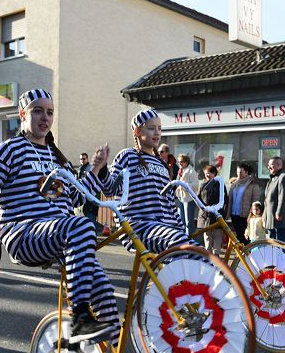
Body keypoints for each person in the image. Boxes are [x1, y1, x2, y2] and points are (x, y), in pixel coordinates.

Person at [0, 88, 116, 341]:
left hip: (59, 233)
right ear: (22, 114)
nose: (44, 118)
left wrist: (96, 167)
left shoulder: (58, 158)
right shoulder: (10, 150)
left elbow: (79, 198)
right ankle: (80, 318)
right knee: (81, 226)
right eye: (37, 110)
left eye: (49, 112)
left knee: (103, 291)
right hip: (22, 233)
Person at [91, 109, 193, 255]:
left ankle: (171, 277)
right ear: (138, 131)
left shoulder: (162, 164)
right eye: (151, 128)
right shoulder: (127, 156)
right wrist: (101, 168)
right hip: (139, 227)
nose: (157, 133)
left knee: (201, 253)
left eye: (159, 128)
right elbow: (110, 189)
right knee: (181, 244)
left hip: (167, 227)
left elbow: (170, 202)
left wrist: (182, 229)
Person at [227, 162, 261, 244]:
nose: (239, 174)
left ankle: (246, 255)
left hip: (245, 215)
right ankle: (240, 254)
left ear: (246, 172)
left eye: (241, 172)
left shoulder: (253, 184)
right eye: (237, 172)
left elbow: (255, 200)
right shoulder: (234, 183)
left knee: (245, 237)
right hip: (234, 214)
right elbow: (230, 199)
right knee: (238, 237)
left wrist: (253, 214)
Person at [197, 164, 225, 255]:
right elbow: (198, 198)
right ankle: (208, 256)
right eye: (206, 173)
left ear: (214, 173)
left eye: (209, 173)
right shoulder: (203, 185)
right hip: (206, 215)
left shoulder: (220, 184)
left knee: (217, 235)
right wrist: (203, 209)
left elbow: (225, 199)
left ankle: (216, 255)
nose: (207, 175)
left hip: (217, 214)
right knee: (207, 236)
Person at [263, 156, 285, 243]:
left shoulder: (283, 177)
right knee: (272, 242)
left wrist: (279, 212)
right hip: (270, 217)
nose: (268, 167)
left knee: (280, 242)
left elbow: (283, 197)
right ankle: (275, 257)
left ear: (279, 165)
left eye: (271, 165)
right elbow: (267, 200)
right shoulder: (272, 179)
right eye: (268, 165)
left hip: (278, 218)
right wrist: (264, 215)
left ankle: (283, 256)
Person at [175, 154, 199, 235]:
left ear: (186, 162)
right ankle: (183, 238)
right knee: (181, 221)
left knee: (189, 222)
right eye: (178, 162)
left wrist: (183, 186)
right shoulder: (180, 171)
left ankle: (190, 240)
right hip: (181, 198)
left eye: (181, 162)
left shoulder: (191, 171)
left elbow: (195, 185)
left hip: (189, 199)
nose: (180, 164)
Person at [76, 152, 99, 225]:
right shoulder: (80, 169)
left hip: (90, 198)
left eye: (84, 159)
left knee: (90, 219)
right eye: (80, 159)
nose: (82, 160)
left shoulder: (90, 169)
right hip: (82, 199)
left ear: (87, 159)